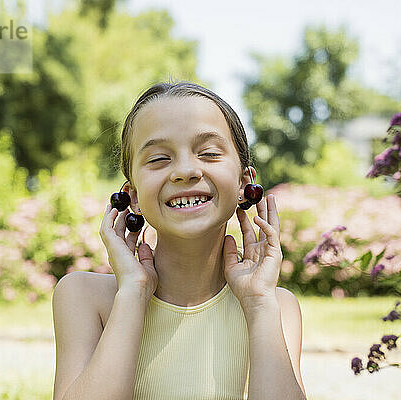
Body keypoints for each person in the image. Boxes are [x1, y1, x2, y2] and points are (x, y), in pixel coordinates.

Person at [52, 80, 306, 400]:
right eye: (159, 159)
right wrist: (133, 293)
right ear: (132, 197)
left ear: (245, 183)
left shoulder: (276, 306)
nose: (185, 171)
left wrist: (258, 304)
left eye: (210, 153)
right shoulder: (85, 296)